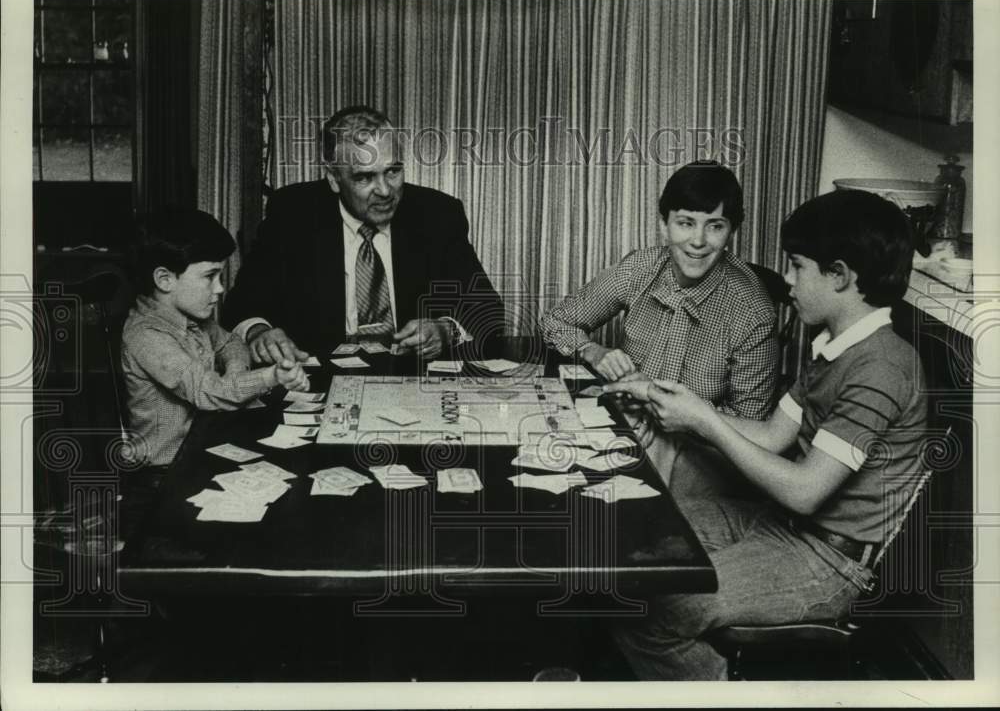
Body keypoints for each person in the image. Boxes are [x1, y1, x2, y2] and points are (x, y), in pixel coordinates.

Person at [605, 189, 928, 680]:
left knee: (653, 609)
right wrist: (663, 397)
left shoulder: (881, 367)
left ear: (839, 275)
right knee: (637, 531)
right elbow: (774, 435)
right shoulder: (837, 349)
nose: (789, 283)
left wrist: (706, 421)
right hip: (783, 526)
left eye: (798, 267)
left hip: (828, 561)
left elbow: (804, 491)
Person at [541, 161, 777, 491]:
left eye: (715, 226)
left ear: (731, 232)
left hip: (699, 454)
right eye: (685, 223)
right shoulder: (640, 267)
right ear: (664, 225)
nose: (698, 240)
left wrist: (665, 401)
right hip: (623, 425)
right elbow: (556, 321)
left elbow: (755, 432)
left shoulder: (753, 313)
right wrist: (592, 350)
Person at [223, 105, 504, 363]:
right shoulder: (293, 215)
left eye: (393, 171)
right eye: (365, 177)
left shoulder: (436, 214)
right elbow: (241, 305)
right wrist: (259, 332)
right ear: (334, 178)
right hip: (322, 375)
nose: (385, 191)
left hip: (412, 378)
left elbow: (488, 309)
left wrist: (446, 330)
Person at [121, 210, 310, 470]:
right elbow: (207, 392)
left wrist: (234, 373)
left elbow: (232, 344)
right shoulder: (147, 337)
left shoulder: (193, 317)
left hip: (205, 443)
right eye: (210, 276)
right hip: (163, 473)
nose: (220, 288)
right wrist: (270, 377)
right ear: (165, 279)